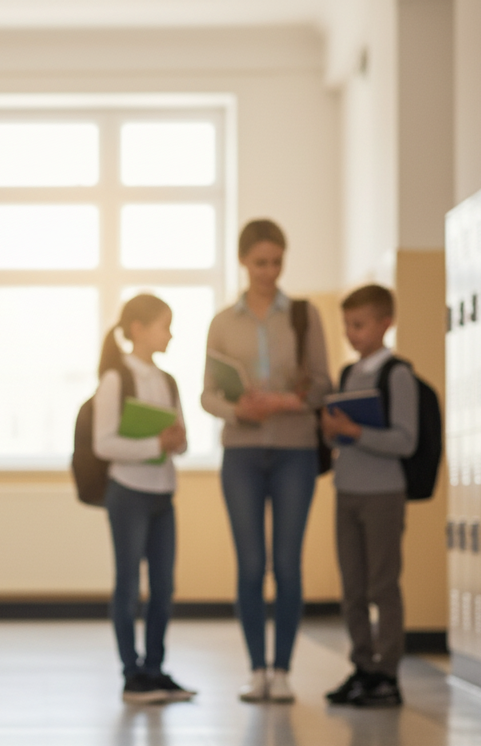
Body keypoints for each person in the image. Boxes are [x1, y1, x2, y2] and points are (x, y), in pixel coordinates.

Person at [201, 219, 331, 703]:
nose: (270, 272)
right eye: (261, 263)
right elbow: (208, 394)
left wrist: (283, 402)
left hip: (296, 450)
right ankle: (256, 670)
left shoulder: (303, 315)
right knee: (252, 565)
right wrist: (239, 409)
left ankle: (283, 671)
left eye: (277, 262)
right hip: (242, 453)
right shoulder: (223, 322)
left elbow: (322, 383)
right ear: (243, 262)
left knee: (288, 564)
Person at [93, 294, 193, 705]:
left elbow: (180, 443)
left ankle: (155, 669)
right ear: (138, 329)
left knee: (165, 586)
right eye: (163, 325)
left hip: (162, 494)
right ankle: (132, 675)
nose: (169, 334)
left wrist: (176, 441)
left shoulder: (168, 381)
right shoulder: (116, 379)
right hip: (128, 494)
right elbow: (103, 444)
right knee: (129, 586)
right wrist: (157, 441)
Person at [322, 285, 415, 708]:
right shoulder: (346, 374)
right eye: (347, 326)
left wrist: (358, 432)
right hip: (348, 491)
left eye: (359, 325)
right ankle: (362, 667)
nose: (352, 334)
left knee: (383, 585)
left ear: (385, 323)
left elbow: (405, 441)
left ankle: (387, 673)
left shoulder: (397, 375)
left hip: (383, 494)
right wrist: (333, 432)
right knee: (353, 588)